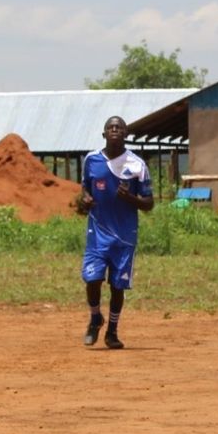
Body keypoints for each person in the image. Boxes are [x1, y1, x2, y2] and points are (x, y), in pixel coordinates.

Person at [76, 116, 154, 350]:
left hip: (124, 236)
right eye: (110, 127)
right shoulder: (91, 160)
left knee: (117, 286)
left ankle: (112, 331)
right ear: (104, 134)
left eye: (119, 127)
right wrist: (84, 201)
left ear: (126, 134)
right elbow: (83, 192)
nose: (115, 130)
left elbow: (149, 203)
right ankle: (95, 317)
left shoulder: (137, 165)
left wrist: (130, 198)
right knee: (92, 279)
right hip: (97, 234)